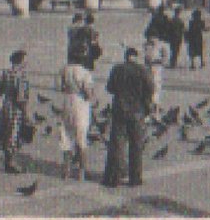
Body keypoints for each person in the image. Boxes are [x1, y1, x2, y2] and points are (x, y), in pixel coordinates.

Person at [102, 47, 155, 188]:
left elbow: (109, 88)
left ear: (126, 57)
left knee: (117, 145)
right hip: (137, 112)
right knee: (136, 146)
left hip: (119, 110)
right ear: (136, 57)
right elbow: (151, 89)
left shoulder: (117, 69)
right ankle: (135, 178)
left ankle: (114, 178)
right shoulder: (143, 70)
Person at [58, 51, 95, 181]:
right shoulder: (85, 73)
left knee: (66, 137)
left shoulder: (64, 70)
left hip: (67, 102)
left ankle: (66, 171)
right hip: (80, 104)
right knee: (81, 139)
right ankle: (81, 172)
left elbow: (60, 87)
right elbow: (88, 93)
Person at [0, 50, 31, 173]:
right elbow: (21, 98)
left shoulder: (6, 73)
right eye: (25, 61)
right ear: (20, 62)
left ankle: (7, 161)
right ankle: (10, 164)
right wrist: (26, 114)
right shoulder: (21, 76)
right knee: (14, 135)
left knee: (5, 133)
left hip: (6, 106)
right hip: (16, 109)